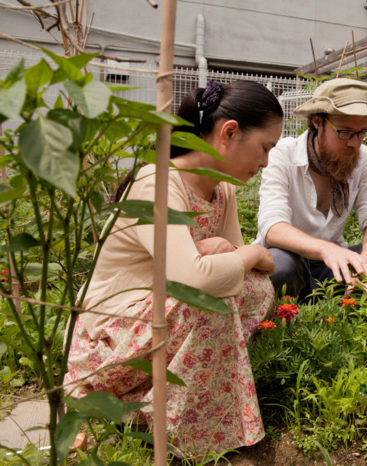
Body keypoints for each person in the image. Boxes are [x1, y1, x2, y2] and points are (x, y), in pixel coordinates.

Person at [65, 80, 283, 459]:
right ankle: (185, 433)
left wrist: (230, 256)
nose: (265, 162)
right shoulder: (159, 181)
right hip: (109, 341)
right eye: (266, 148)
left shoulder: (222, 189)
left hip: (158, 321)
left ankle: (156, 406)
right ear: (228, 132)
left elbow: (240, 271)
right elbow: (200, 277)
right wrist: (245, 254)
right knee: (207, 298)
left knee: (256, 290)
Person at [255, 78, 367, 299]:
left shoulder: (362, 157)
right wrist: (325, 249)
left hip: (332, 266)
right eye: (345, 132)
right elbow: (273, 227)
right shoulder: (284, 154)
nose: (355, 143)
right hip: (292, 261)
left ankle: (358, 322)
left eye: (362, 133)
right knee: (281, 265)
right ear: (318, 122)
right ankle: (279, 326)